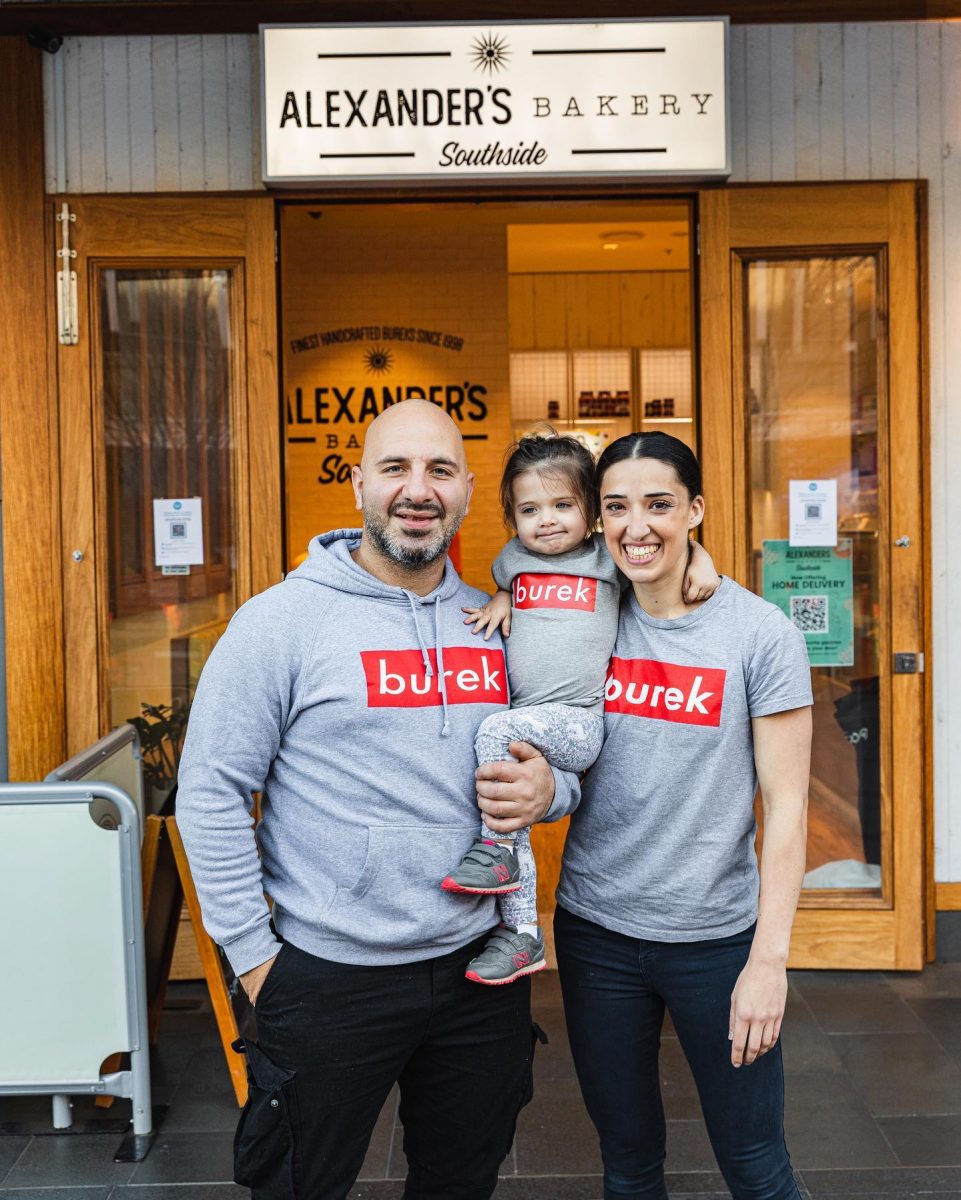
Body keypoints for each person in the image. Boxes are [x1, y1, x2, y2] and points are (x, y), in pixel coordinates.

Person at [175, 400, 581, 1200]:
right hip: (328, 972)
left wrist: (550, 788)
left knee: (459, 1183)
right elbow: (211, 791)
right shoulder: (280, 623)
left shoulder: (499, 625)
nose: (416, 490)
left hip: (477, 968)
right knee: (298, 1184)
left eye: (437, 471)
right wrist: (256, 961)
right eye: (395, 468)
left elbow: (563, 745)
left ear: (466, 489)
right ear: (358, 482)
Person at [554, 431, 813, 1200]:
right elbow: (532, 516)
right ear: (597, 520)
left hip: (716, 942)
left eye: (659, 505)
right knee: (627, 1164)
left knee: (754, 1163)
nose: (637, 526)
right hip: (596, 934)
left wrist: (769, 962)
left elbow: (789, 807)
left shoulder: (758, 634)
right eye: (616, 507)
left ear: (695, 510)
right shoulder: (584, 616)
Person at [444, 431, 718, 986]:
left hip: (578, 721)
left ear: (591, 511)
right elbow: (509, 584)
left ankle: (494, 855)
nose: (547, 520)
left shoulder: (605, 559)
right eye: (530, 509)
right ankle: (520, 933)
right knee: (512, 811)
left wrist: (701, 559)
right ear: (511, 517)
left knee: (497, 744)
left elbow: (656, 553)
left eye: (563, 505)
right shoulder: (512, 562)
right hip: (530, 725)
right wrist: (501, 597)